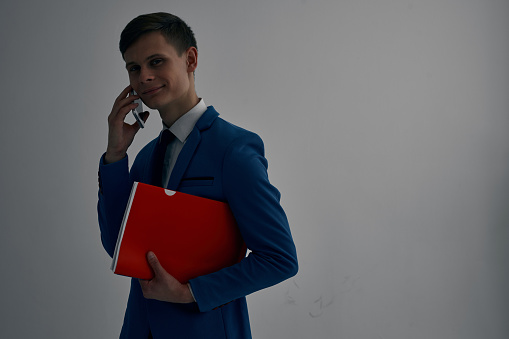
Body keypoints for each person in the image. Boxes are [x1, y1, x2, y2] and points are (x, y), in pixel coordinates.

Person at [97, 12, 298, 338]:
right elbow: (117, 247)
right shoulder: (146, 157)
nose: (144, 76)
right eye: (134, 68)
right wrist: (116, 155)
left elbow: (280, 258)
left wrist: (190, 293)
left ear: (190, 59)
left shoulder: (233, 149)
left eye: (156, 61)